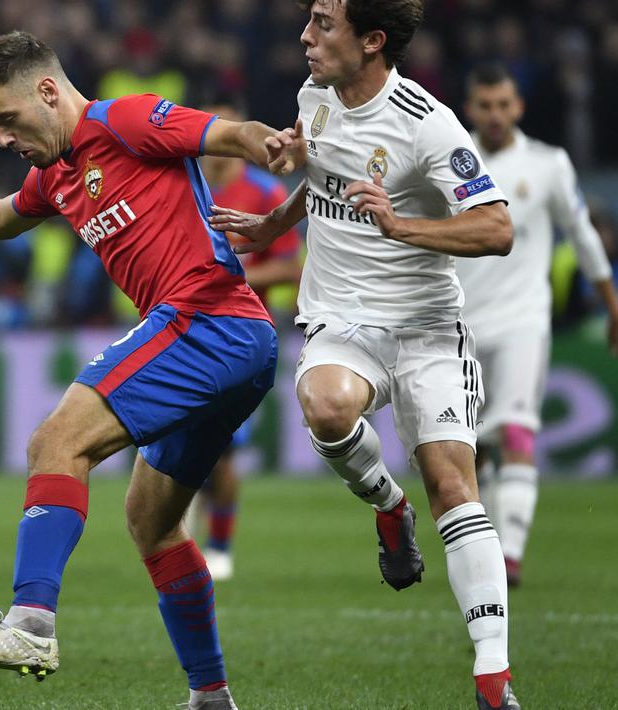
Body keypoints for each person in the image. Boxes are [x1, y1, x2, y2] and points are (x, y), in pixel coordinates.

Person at [0, 30, 304, 710]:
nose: (1, 139)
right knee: (150, 521)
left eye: (6, 121)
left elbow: (229, 136)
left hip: (209, 318)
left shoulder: (126, 119)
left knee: (55, 442)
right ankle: (210, 697)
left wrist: (272, 145)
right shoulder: (54, 171)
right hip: (225, 342)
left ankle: (30, 623)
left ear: (47, 92)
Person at [209, 2, 518, 708]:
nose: (304, 37)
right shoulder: (310, 99)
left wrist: (398, 224)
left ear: (371, 41)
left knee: (453, 488)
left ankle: (493, 680)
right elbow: (318, 181)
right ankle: (386, 506)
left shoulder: (426, 123)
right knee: (324, 407)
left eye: (323, 24)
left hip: (427, 328)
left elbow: (495, 228)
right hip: (340, 320)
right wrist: (270, 223)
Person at [457, 62, 618, 587]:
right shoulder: (449, 161)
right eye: (486, 106)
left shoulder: (549, 164)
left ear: (518, 107)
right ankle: (485, 546)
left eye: (504, 105)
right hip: (456, 324)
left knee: (518, 432)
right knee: (465, 448)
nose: (496, 115)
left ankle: (511, 558)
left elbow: (583, 234)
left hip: (524, 319)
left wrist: (611, 302)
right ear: (471, 109)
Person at [187, 97, 303, 581]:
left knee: (227, 448)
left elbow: (292, 265)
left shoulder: (264, 190)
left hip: (241, 331)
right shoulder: (181, 183)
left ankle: (219, 547)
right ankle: (181, 543)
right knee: (181, 439)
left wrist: (234, 277)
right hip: (184, 328)